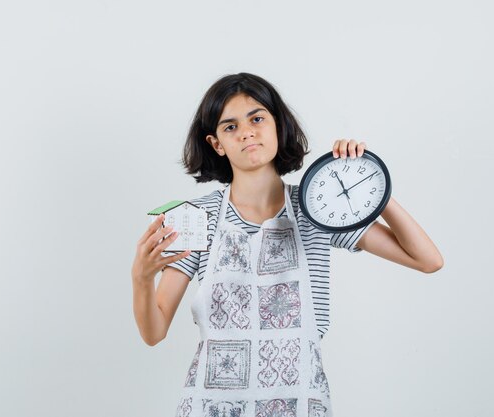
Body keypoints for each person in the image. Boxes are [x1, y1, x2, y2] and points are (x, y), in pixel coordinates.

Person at [131, 73, 444, 417]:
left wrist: (367, 178)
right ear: (216, 143)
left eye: (257, 118)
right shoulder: (196, 218)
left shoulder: (317, 210)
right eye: (230, 127)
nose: (247, 132)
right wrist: (142, 279)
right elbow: (153, 331)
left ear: (278, 127)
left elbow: (427, 260)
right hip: (210, 407)